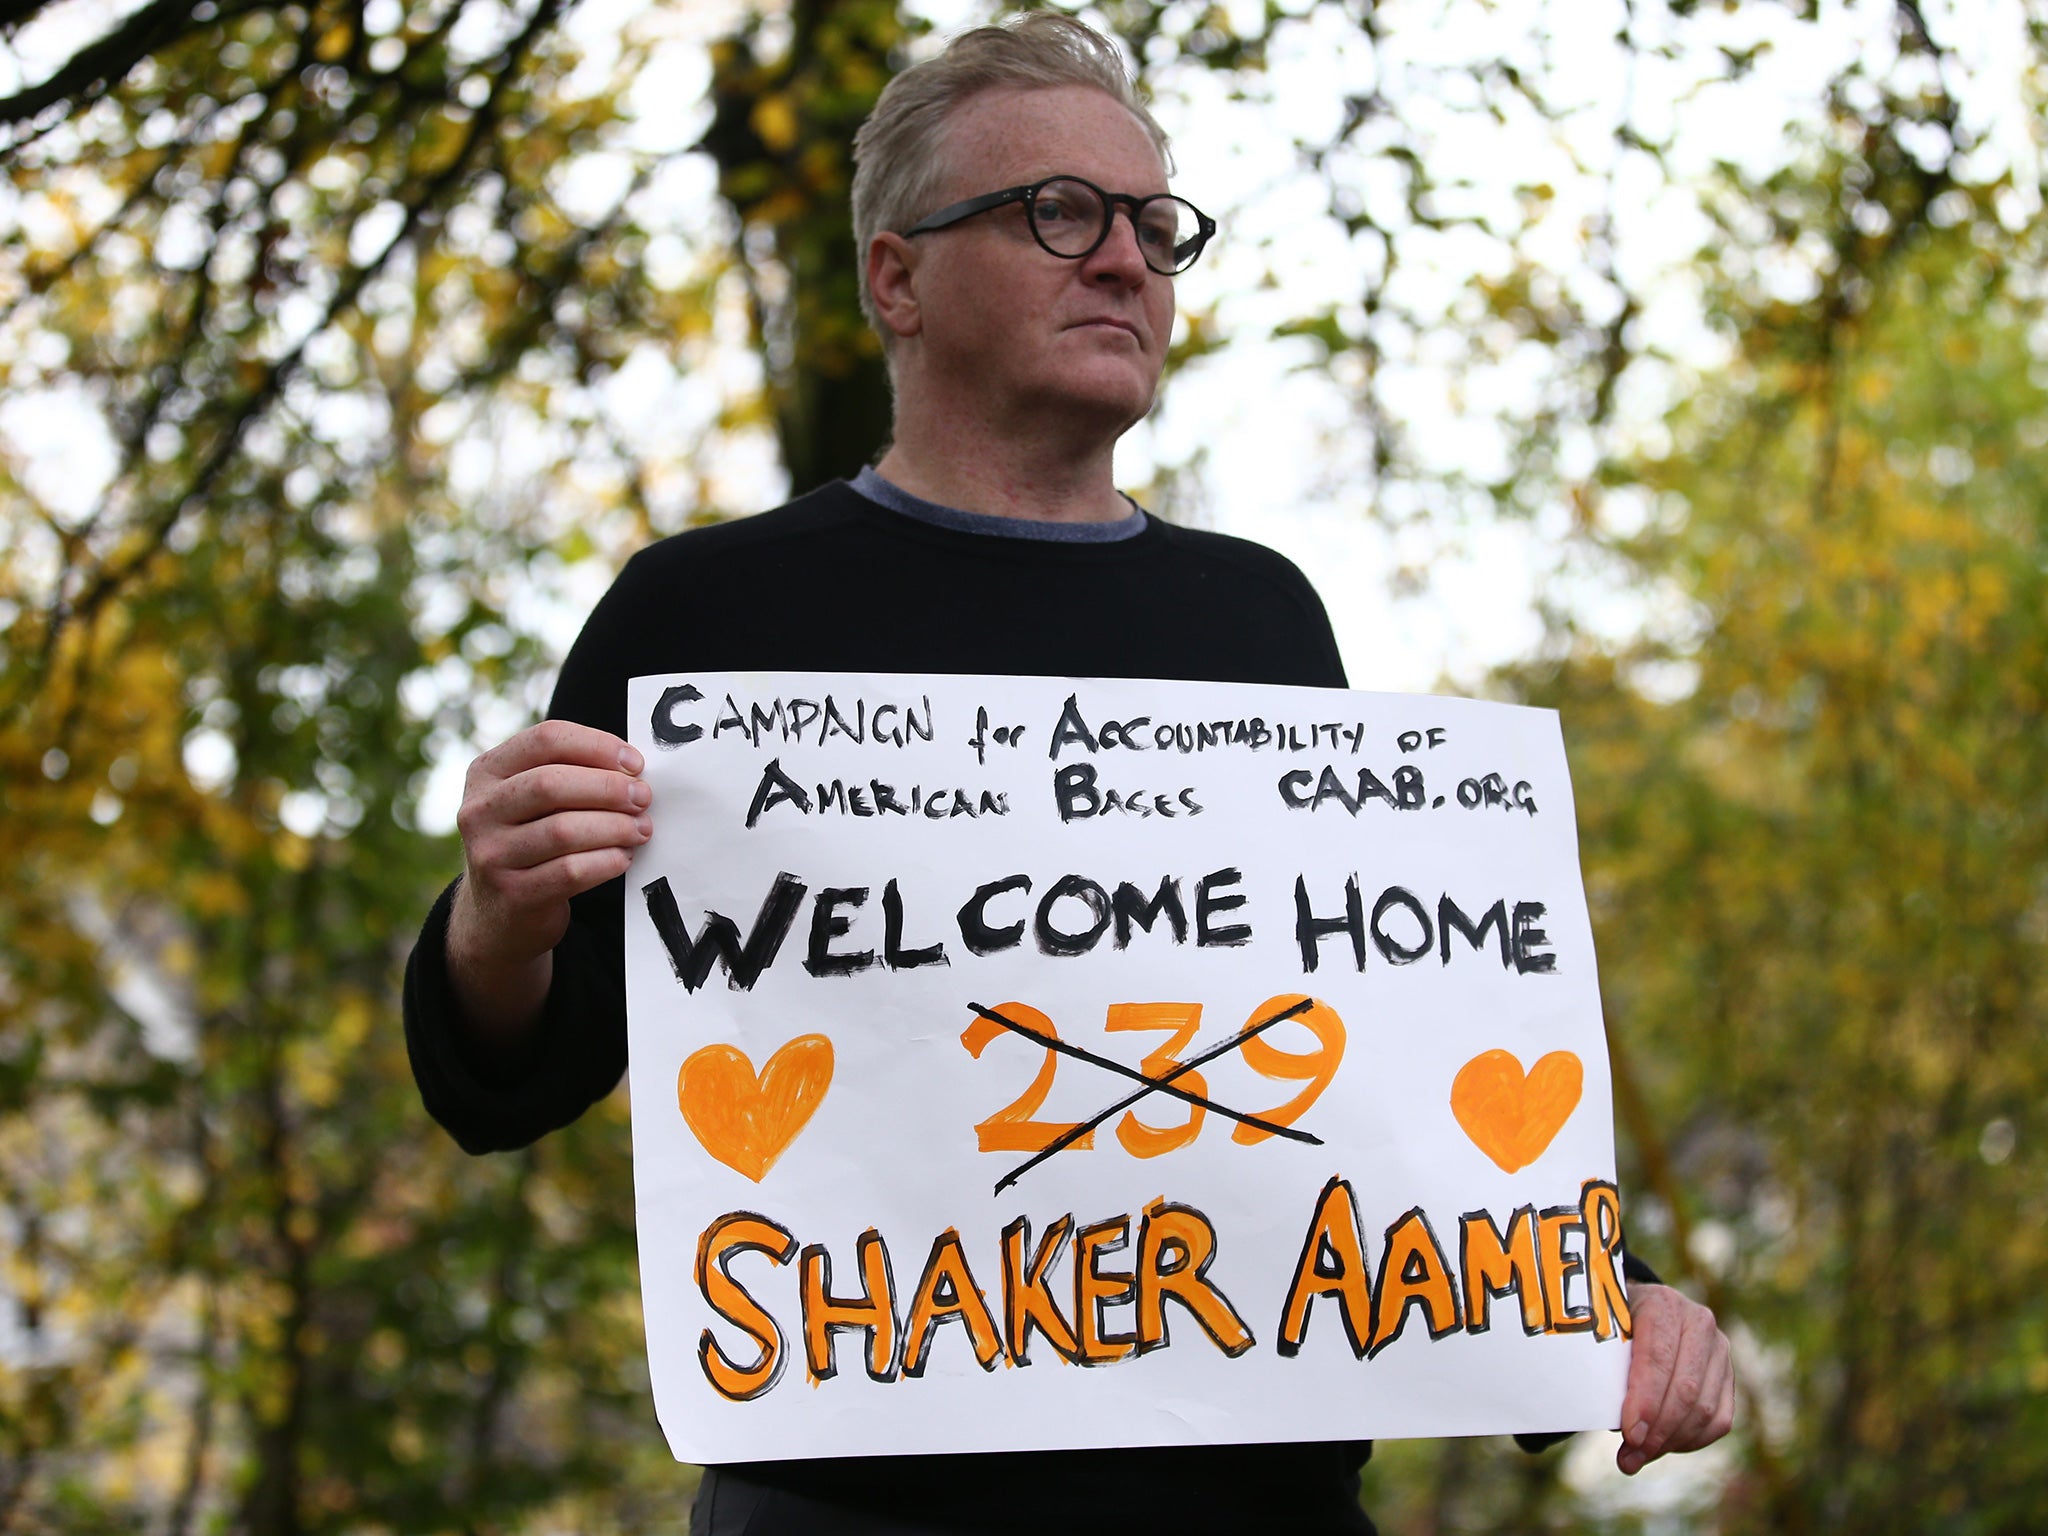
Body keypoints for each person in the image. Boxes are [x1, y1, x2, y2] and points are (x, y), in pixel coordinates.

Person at [404, 14, 1735, 1533]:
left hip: (1255, 1504)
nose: (1125, 262)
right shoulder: (706, 622)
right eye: (1059, 213)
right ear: (894, 278)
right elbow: (511, 1080)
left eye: (1157, 228)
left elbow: (1362, 1076)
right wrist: (496, 922)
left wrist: (1597, 1303)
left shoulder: (1257, 616)